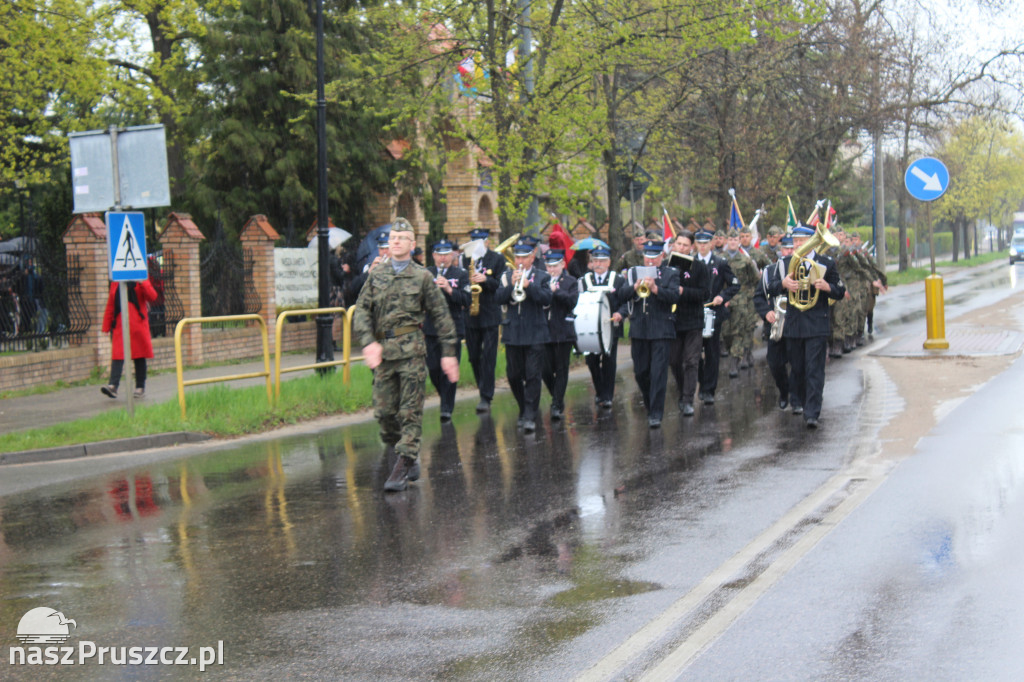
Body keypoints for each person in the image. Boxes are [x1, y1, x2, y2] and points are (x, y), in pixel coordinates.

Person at [352, 218, 459, 492]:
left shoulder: (422, 276)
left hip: (411, 352)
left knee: (409, 412)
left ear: (412, 244)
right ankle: (408, 456)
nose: (395, 241)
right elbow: (361, 310)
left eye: (401, 238)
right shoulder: (376, 275)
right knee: (385, 414)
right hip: (384, 353)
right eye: (392, 238)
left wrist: (448, 353)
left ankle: (403, 463)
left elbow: (441, 315)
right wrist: (367, 342)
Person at [766, 223, 846, 428]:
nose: (798, 244)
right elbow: (771, 289)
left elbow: (839, 291)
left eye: (802, 241)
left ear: (812, 241)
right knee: (798, 368)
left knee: (814, 369)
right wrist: (784, 284)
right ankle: (799, 400)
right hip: (794, 324)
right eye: (795, 241)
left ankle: (812, 413)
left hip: (817, 323)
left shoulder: (826, 262)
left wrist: (827, 286)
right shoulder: (784, 263)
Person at [616, 240, 680, 428]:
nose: (650, 261)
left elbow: (675, 296)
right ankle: (650, 402)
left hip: (661, 329)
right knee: (641, 372)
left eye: (654, 257)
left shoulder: (671, 274)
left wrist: (655, 289)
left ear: (662, 256)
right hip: (639, 329)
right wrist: (634, 287)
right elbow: (621, 295)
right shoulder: (633, 273)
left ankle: (656, 413)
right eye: (647, 257)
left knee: (658, 372)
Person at [495, 239, 552, 433]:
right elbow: (498, 299)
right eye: (517, 256)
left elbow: (546, 299)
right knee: (513, 375)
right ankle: (523, 407)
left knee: (533, 375)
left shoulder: (542, 276)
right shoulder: (505, 276)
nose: (519, 260)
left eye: (524, 257)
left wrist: (528, 285)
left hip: (536, 331)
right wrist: (511, 286)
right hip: (514, 332)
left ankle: (529, 415)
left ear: (532, 257)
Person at [460, 227, 506, 413]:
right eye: (473, 242)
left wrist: (485, 280)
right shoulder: (465, 259)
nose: (475, 246)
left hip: (489, 312)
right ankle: (482, 387)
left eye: (479, 242)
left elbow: (500, 285)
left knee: (488, 355)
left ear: (486, 242)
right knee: (473, 356)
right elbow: (461, 281)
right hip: (471, 314)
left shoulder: (496, 259)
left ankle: (486, 396)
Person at [425, 239, 470, 423]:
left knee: (450, 368)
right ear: (434, 256)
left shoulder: (461, 274)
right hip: (430, 328)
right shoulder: (426, 273)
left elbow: (467, 300)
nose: (443, 258)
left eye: (446, 254)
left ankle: (446, 408)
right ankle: (444, 397)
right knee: (434, 368)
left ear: (452, 256)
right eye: (439, 254)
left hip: (453, 329)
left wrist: (450, 290)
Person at [694, 230, 739, 405]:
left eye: (706, 243)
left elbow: (735, 284)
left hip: (713, 312)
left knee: (712, 352)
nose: (703, 246)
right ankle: (701, 381)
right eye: (699, 243)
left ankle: (709, 389)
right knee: (694, 352)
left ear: (711, 243)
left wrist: (723, 296)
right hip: (694, 313)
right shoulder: (690, 262)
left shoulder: (720, 263)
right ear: (696, 244)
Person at [667, 231, 709, 416]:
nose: (681, 248)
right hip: (673, 321)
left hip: (693, 320)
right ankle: (682, 391)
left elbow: (704, 294)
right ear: (674, 244)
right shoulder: (667, 266)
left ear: (691, 247)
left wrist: (685, 291)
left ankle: (688, 399)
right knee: (674, 361)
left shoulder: (699, 267)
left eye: (685, 245)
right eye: (679, 244)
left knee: (691, 361)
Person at [577, 246, 623, 408]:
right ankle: (599, 391)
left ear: (609, 262)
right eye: (595, 260)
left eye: (602, 261)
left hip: (612, 326)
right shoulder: (584, 281)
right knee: (592, 360)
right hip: (590, 327)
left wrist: (620, 313)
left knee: (609, 361)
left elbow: (625, 302)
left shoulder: (617, 280)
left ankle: (608, 395)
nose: (598, 264)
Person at [754, 234, 794, 409]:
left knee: (798, 363)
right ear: (780, 250)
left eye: (793, 248)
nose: (789, 251)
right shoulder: (770, 271)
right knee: (775, 363)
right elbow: (758, 297)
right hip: (776, 325)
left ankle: (797, 395)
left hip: (797, 324)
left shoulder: (805, 269)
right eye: (786, 248)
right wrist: (766, 312)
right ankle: (784, 391)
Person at [100, 277, 158, 399]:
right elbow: (111, 304)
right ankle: (113, 386)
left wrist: (142, 282)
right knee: (118, 355)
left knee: (139, 356)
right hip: (120, 326)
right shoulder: (116, 282)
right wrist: (106, 326)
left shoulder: (141, 280)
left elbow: (152, 296)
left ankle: (140, 387)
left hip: (137, 325)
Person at [541, 249, 578, 420]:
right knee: (545, 369)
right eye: (548, 266)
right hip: (545, 331)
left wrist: (557, 291)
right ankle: (558, 397)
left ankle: (556, 404)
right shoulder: (541, 280)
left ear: (562, 265)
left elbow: (572, 302)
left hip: (563, 331)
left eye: (555, 266)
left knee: (562, 369)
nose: (551, 270)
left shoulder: (570, 281)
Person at [720, 229, 761, 376]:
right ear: (726, 241)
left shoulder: (746, 260)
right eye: (730, 240)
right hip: (724, 300)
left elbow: (755, 280)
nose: (732, 242)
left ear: (738, 242)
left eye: (735, 240)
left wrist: (751, 296)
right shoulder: (720, 259)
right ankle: (734, 352)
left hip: (742, 300)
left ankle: (734, 362)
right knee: (725, 332)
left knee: (739, 330)